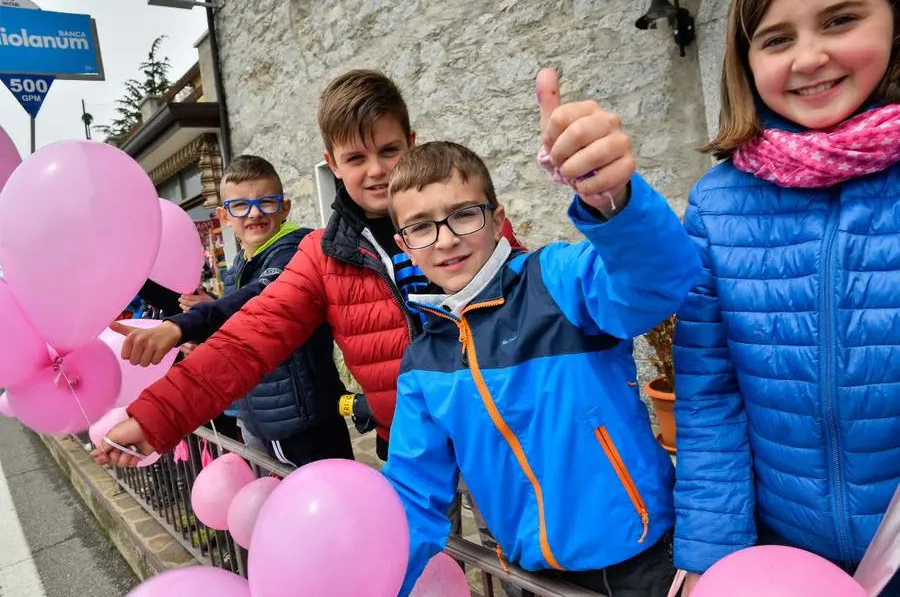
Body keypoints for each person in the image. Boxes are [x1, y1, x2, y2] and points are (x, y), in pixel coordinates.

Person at [91, 70, 524, 468]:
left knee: (518, 547)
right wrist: (155, 418)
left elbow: (535, 302)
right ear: (332, 164)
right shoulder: (324, 256)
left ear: (410, 142)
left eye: (389, 150)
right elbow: (245, 342)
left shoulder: (470, 220)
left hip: (504, 429)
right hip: (412, 446)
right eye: (355, 158)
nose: (376, 171)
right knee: (428, 551)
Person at [382, 72, 701, 595]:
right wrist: (378, 579)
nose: (445, 240)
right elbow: (415, 498)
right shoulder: (423, 362)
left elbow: (660, 281)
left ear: (496, 218)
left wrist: (611, 202)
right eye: (421, 226)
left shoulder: (556, 279)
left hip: (638, 560)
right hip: (530, 576)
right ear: (405, 244)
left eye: (463, 214)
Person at [673, 0, 900, 595]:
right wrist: (711, 554)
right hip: (789, 557)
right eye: (776, 39)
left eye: (840, 20)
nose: (810, 57)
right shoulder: (718, 203)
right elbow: (708, 395)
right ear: (745, 63)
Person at [110, 155, 354, 467]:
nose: (254, 214)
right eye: (240, 206)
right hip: (261, 412)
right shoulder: (240, 264)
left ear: (285, 208)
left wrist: (182, 325)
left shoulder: (295, 253)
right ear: (224, 216)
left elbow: (258, 299)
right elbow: (242, 324)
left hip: (302, 417)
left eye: (266, 202)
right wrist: (205, 324)